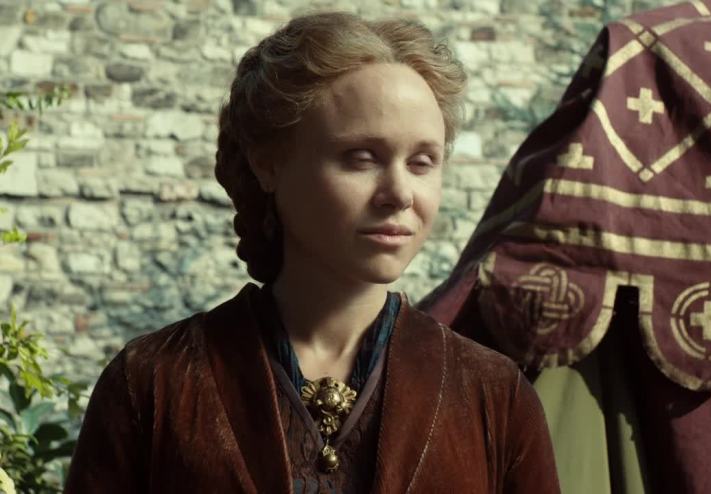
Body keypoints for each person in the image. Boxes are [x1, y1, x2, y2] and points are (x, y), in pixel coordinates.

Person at [64, 11, 559, 493]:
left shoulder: (493, 395)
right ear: (268, 163)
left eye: (422, 162)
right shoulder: (153, 382)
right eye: (361, 158)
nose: (400, 193)